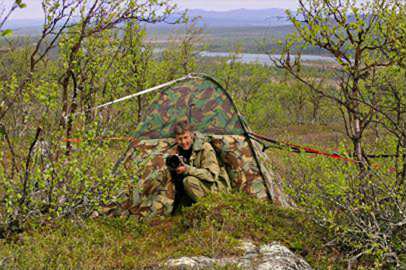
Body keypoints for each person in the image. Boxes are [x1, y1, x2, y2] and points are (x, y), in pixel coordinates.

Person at [167, 120, 227, 211]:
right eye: (180, 139)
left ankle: (210, 209)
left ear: (191, 135)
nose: (183, 142)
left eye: (185, 137)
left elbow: (211, 175)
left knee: (188, 181)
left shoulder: (205, 147)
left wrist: (187, 169)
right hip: (196, 188)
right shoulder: (176, 151)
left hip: (215, 187)